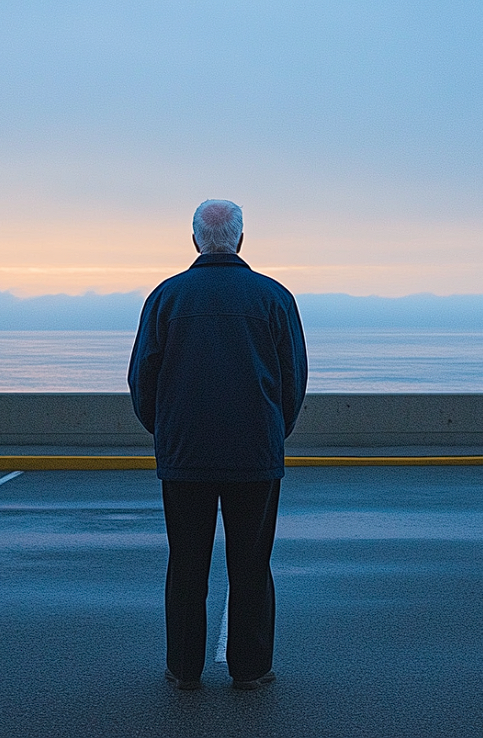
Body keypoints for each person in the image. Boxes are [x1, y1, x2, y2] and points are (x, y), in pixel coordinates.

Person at [128, 199, 308, 691]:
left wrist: (166, 431)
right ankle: (250, 668)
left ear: (193, 242)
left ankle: (185, 668)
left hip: (185, 455)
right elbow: (293, 382)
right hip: (255, 454)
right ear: (242, 239)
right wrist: (273, 430)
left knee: (187, 564)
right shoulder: (274, 298)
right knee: (251, 564)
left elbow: (142, 380)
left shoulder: (166, 298)